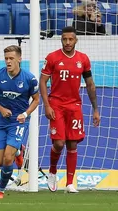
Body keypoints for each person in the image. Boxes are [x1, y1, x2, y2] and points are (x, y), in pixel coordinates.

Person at [40, 26, 100, 193]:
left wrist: (96, 109)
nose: (67, 42)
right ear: (61, 40)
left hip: (74, 106)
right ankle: (52, 172)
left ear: (76, 40)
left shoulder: (83, 59)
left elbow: (90, 85)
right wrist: (47, 105)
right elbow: (42, 82)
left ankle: (70, 183)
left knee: (72, 143)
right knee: (59, 143)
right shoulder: (52, 58)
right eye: (64, 39)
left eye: (70, 39)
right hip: (56, 104)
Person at [0, 45, 39, 199]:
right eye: (6, 58)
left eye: (11, 58)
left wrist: (25, 114)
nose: (8, 61)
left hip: (18, 122)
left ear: (19, 59)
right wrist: (0, 109)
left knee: (8, 157)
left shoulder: (29, 78)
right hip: (3, 121)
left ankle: (0, 190)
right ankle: (19, 150)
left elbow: (36, 100)